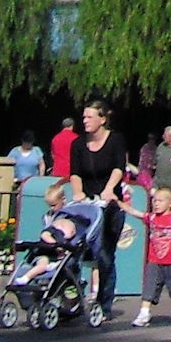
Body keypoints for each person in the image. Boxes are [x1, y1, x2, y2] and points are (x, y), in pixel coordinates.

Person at [70, 99, 131, 320]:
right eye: (83, 117)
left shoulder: (115, 140)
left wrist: (109, 190)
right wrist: (78, 193)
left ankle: (104, 306)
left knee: (105, 256)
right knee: (73, 252)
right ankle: (71, 299)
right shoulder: (77, 144)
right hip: (87, 205)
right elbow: (75, 173)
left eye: (89, 117)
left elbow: (118, 168)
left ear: (102, 119)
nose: (84, 121)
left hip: (109, 205)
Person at [126, 184, 171, 327]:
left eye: (160, 201)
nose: (156, 204)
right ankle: (144, 312)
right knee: (149, 286)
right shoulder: (152, 218)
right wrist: (119, 202)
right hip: (154, 260)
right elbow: (135, 213)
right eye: (154, 200)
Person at [12, 181, 100, 288]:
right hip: (48, 250)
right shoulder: (49, 217)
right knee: (41, 261)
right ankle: (27, 278)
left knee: (91, 264)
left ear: (63, 199)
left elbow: (71, 233)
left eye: (54, 205)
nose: (51, 208)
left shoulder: (70, 214)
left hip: (63, 250)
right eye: (49, 206)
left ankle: (94, 290)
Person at [50, 115, 78, 180]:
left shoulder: (55, 138)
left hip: (57, 172)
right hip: (71, 172)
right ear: (72, 126)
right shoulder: (76, 138)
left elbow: (53, 155)